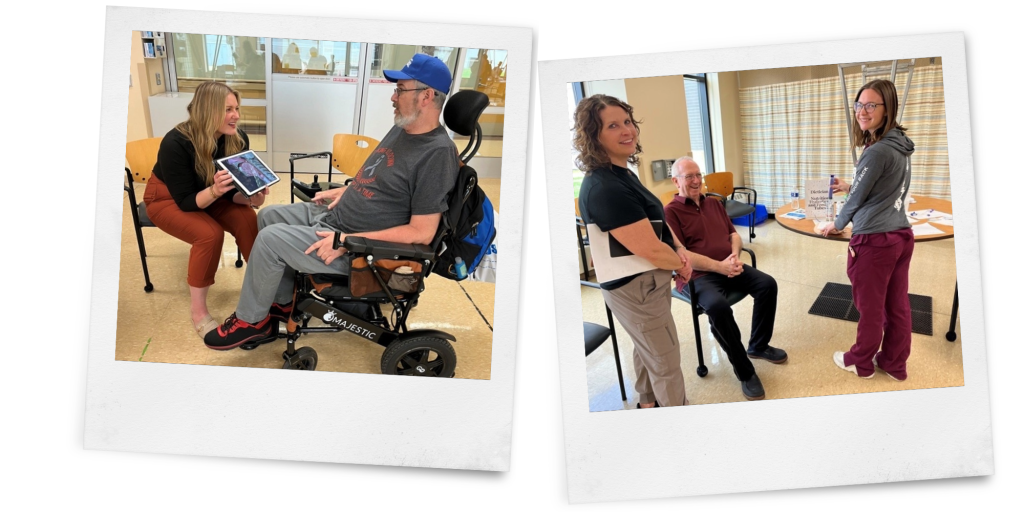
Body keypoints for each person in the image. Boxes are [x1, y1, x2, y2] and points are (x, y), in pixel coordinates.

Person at [204, 53, 460, 350]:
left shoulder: (437, 154)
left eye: (401, 89)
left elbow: (422, 233)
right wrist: (349, 189)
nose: (393, 96)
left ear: (426, 96)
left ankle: (251, 322)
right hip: (338, 218)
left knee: (270, 240)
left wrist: (346, 239)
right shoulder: (402, 129)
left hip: (360, 250)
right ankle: (282, 303)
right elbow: (382, 175)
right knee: (268, 216)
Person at [574, 94, 693, 408]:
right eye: (613, 125)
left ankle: (647, 403)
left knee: (648, 348)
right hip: (635, 287)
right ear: (593, 136)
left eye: (627, 122)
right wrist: (681, 263)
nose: (627, 130)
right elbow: (651, 250)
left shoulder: (622, 174)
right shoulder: (605, 188)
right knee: (665, 361)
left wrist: (678, 250)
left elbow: (656, 225)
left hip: (644, 282)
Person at [143, 81, 269, 339]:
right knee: (209, 234)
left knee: (248, 221)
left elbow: (236, 195)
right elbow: (186, 201)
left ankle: (267, 292)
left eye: (236, 108)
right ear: (207, 110)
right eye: (227, 110)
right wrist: (216, 191)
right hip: (168, 198)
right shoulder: (175, 143)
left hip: (213, 193)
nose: (236, 116)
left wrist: (253, 198)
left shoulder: (237, 138)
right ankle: (198, 311)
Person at [663, 157, 786, 401]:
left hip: (727, 265)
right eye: (689, 176)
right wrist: (720, 267)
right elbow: (682, 255)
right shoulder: (670, 212)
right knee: (718, 308)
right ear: (676, 181)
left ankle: (758, 346)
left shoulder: (714, 203)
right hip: (696, 276)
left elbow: (733, 234)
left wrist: (733, 257)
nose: (697, 180)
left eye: (699, 174)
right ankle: (745, 372)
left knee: (767, 284)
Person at [817, 79, 915, 381]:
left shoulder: (876, 152)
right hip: (900, 235)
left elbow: (856, 200)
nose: (863, 111)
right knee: (897, 305)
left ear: (888, 108)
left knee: (870, 308)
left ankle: (859, 362)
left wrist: (835, 223)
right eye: (859, 104)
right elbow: (886, 185)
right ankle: (895, 364)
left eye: (871, 105)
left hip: (874, 241)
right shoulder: (900, 143)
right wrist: (851, 184)